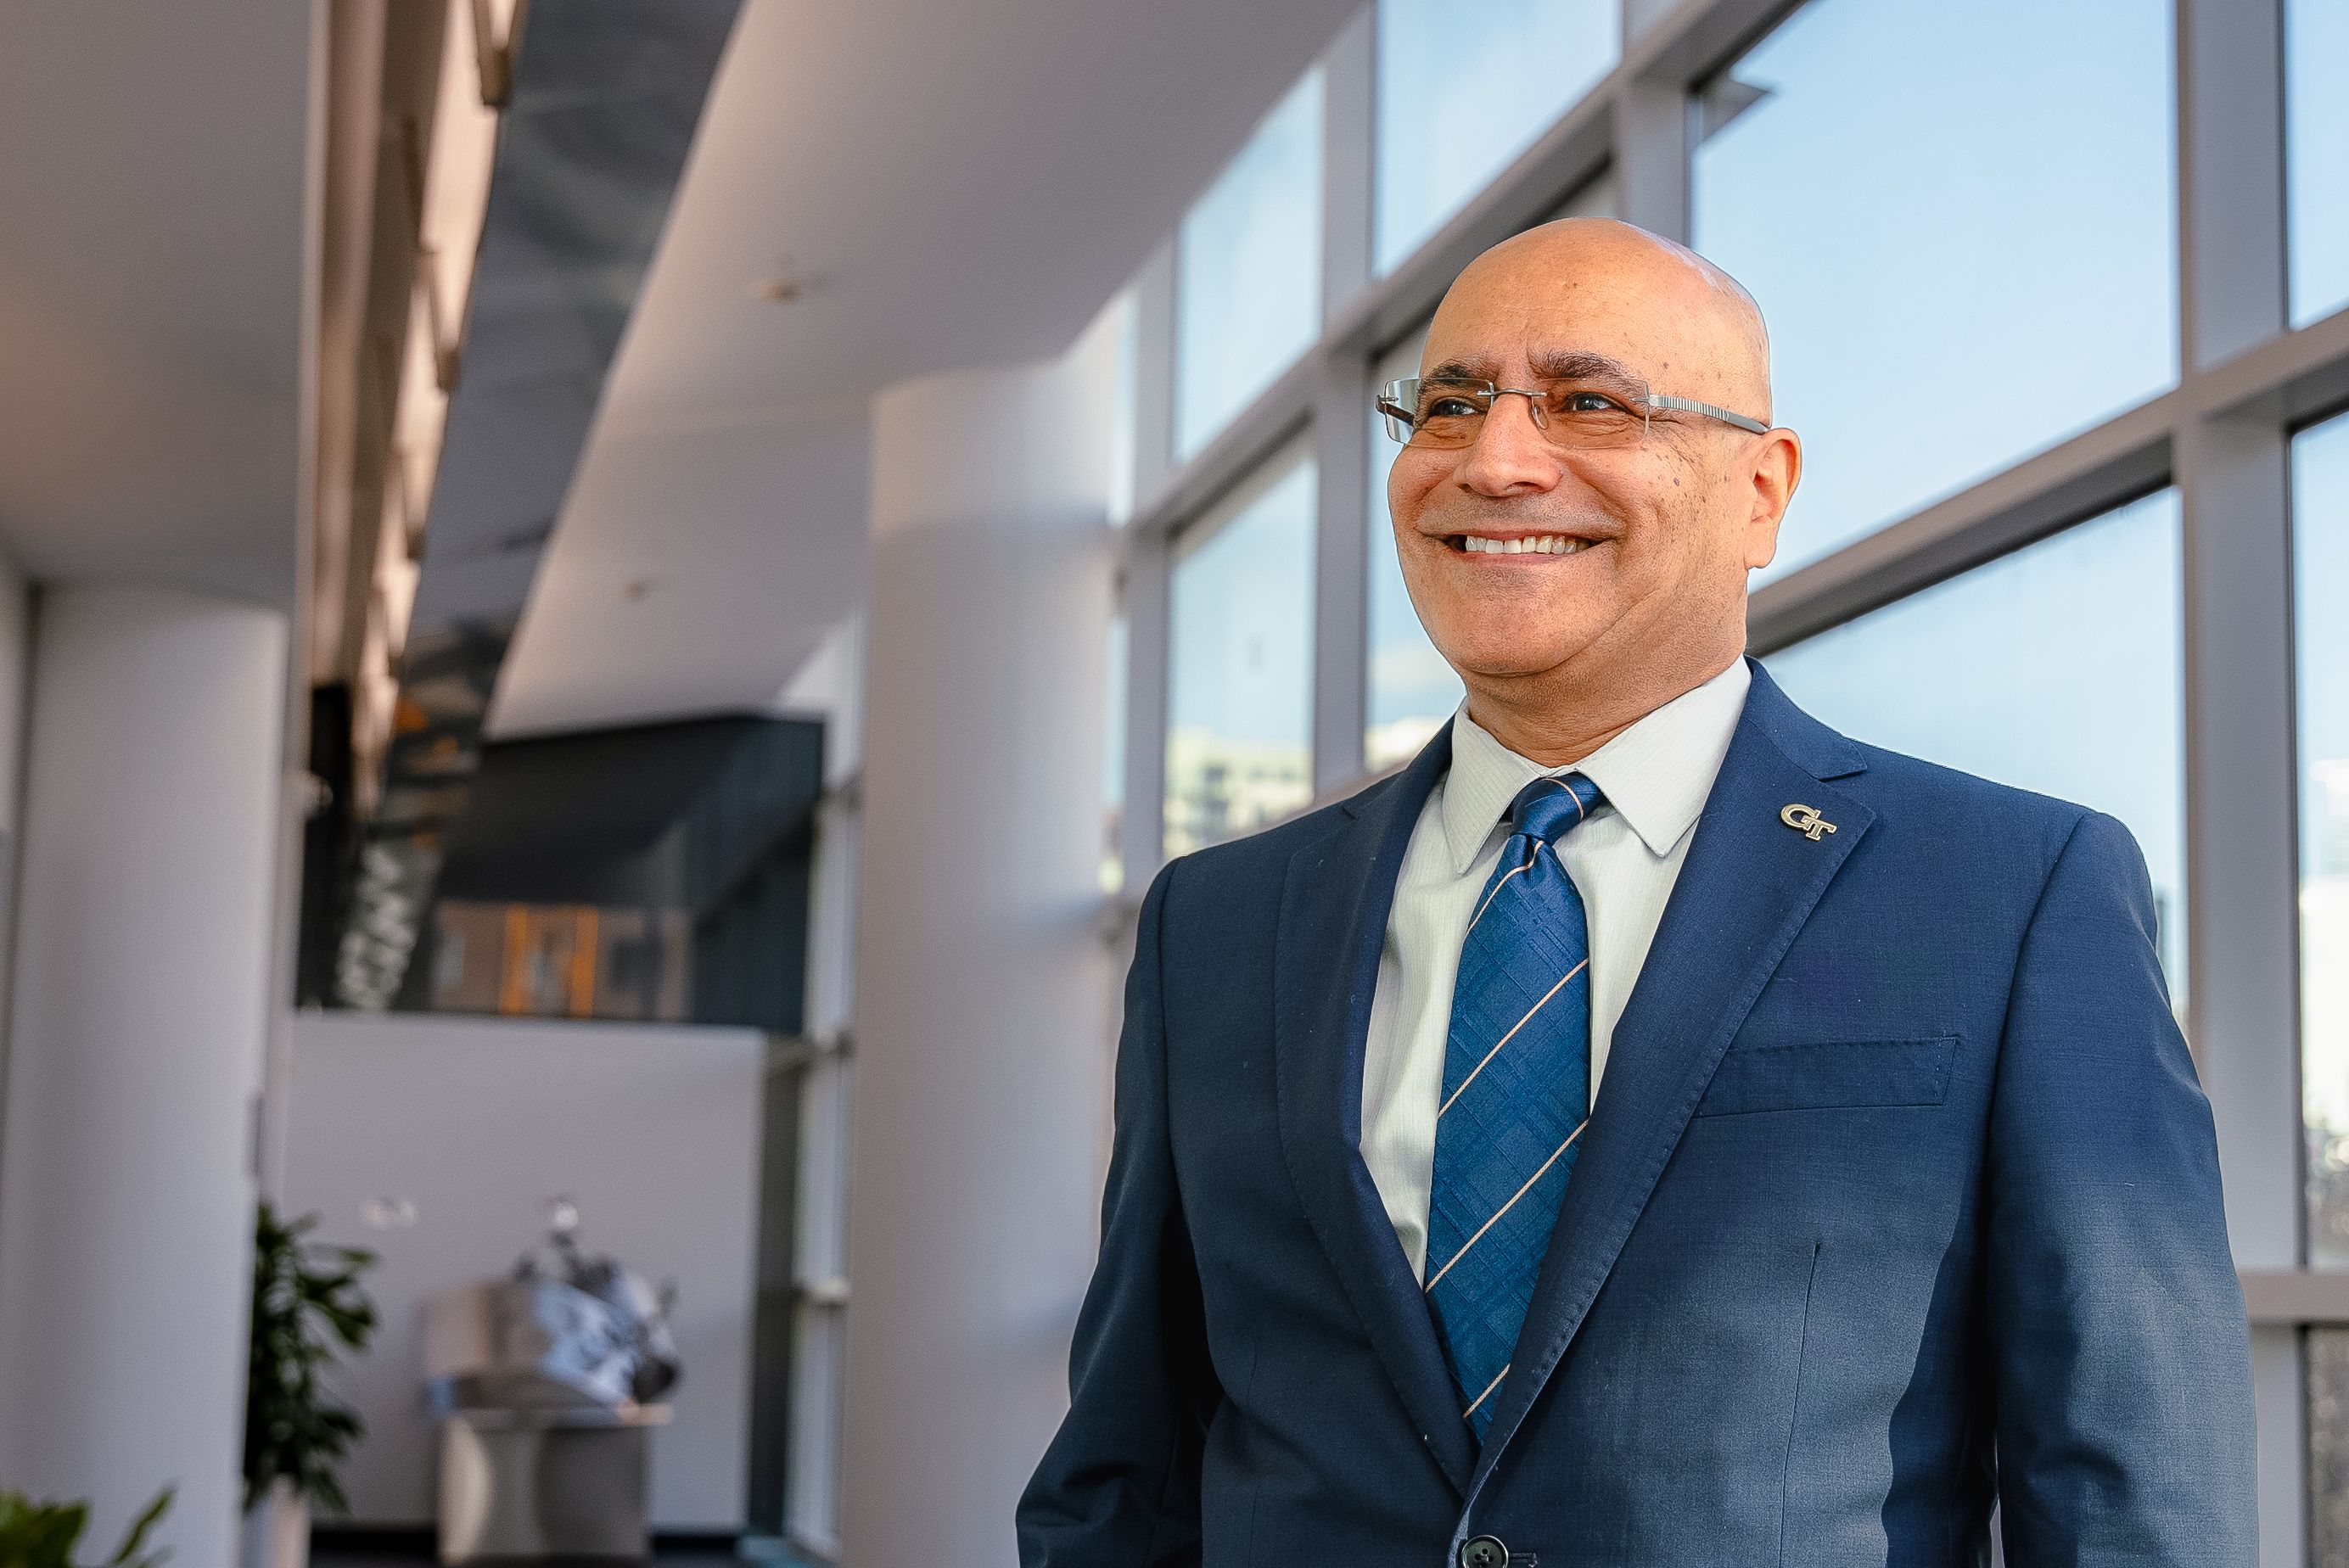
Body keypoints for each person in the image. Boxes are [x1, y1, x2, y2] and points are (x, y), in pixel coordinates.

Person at [1017, 218, 2255, 1565]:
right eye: (1448, 403)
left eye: (1590, 402)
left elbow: (2136, 1503)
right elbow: (1126, 1473)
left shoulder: (2016, 895)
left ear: (1762, 493)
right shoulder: (1218, 924)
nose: (1495, 459)